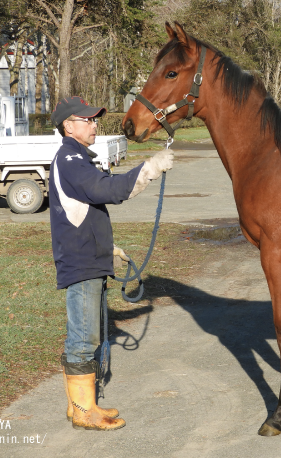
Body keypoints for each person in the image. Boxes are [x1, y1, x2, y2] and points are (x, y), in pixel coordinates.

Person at [49, 96, 174, 430]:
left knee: (87, 335)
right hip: (82, 264)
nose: (94, 124)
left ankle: (83, 405)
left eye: (95, 119)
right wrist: (149, 169)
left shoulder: (75, 158)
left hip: (89, 258)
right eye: (87, 119)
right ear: (68, 125)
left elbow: (82, 211)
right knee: (83, 338)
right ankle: (82, 411)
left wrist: (109, 247)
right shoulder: (71, 158)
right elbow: (107, 190)